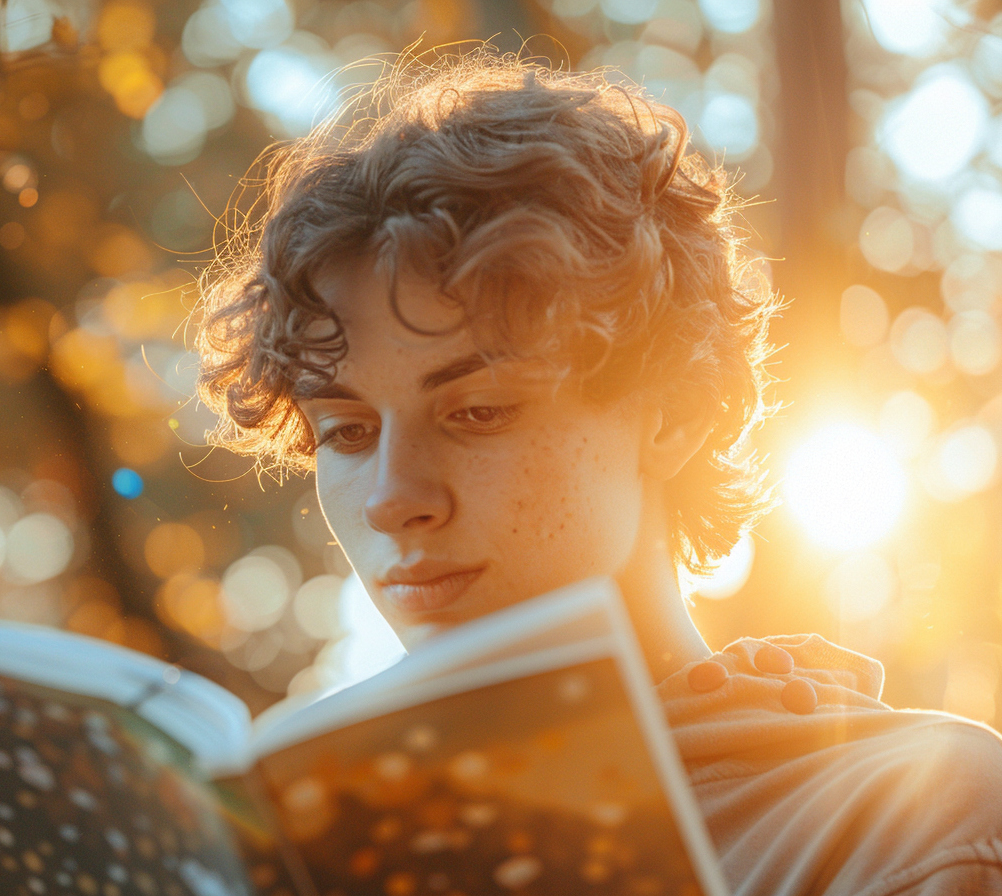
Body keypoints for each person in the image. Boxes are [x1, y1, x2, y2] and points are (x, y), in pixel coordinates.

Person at [190, 49, 1002, 896]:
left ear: (676, 411)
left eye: (477, 412)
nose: (395, 500)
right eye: (348, 432)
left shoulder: (911, 817)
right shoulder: (295, 843)